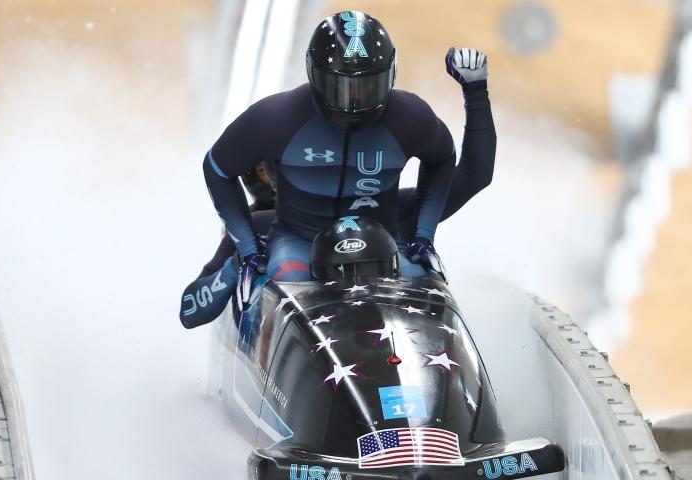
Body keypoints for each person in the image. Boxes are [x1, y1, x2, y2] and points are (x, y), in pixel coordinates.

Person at [180, 30, 494, 328]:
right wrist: (242, 259)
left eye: (367, 85)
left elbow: (471, 175)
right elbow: (190, 311)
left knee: (416, 274)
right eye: (341, 87)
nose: (354, 99)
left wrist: (476, 92)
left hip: (375, 252)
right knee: (287, 275)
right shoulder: (260, 227)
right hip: (297, 253)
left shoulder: (407, 180)